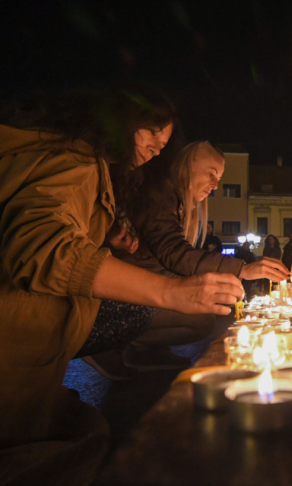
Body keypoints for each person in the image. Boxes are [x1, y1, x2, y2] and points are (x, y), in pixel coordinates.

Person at [0, 88, 245, 485]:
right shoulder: (75, 159)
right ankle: (117, 352)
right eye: (150, 132)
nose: (154, 148)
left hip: (40, 347)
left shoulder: (91, 167)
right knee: (91, 445)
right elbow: (42, 248)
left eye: (163, 144)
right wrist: (173, 292)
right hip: (18, 344)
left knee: (89, 431)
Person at [109, 141, 289, 365]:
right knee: (201, 318)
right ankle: (115, 345)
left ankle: (146, 348)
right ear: (187, 165)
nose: (215, 185)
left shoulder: (179, 202)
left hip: (142, 286)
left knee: (205, 313)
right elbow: (174, 253)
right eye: (211, 174)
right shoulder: (160, 191)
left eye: (219, 179)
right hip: (123, 293)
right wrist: (242, 268)